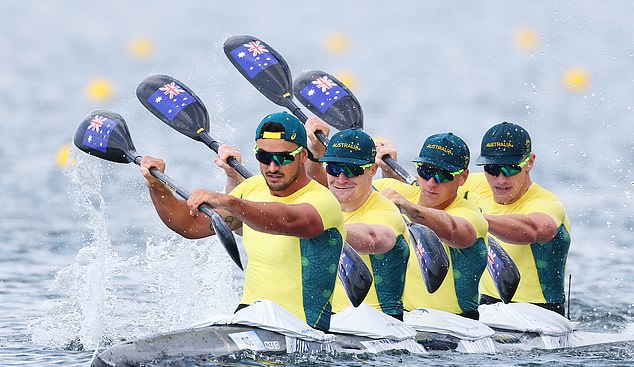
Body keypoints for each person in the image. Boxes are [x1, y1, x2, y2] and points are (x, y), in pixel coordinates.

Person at [139, 111, 346, 332]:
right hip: (250, 318)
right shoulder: (252, 188)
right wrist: (157, 187)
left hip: (303, 330)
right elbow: (188, 226)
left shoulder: (323, 200)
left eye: (283, 158)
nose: (273, 167)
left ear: (303, 156)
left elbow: (287, 220)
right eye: (264, 157)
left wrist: (229, 201)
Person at [304, 117, 410, 320]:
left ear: (372, 170)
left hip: (379, 328)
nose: (341, 179)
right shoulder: (324, 202)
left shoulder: (385, 211)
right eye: (334, 169)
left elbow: (374, 239)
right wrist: (315, 151)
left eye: (352, 171)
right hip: (327, 322)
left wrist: (318, 227)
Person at [460, 122, 571, 316]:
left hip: (543, 314)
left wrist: (477, 220)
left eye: (511, 168)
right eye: (492, 169)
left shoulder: (546, 203)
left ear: (529, 162)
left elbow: (535, 230)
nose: (501, 179)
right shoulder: (474, 185)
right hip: (487, 307)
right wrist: (389, 169)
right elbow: (422, 191)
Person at [375, 133, 488, 320]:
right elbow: (337, 190)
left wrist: (409, 208)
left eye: (442, 175)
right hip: (402, 320)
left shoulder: (471, 216)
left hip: (453, 327)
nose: (431, 183)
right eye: (425, 171)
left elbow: (451, 228)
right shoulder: (394, 188)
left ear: (463, 177)